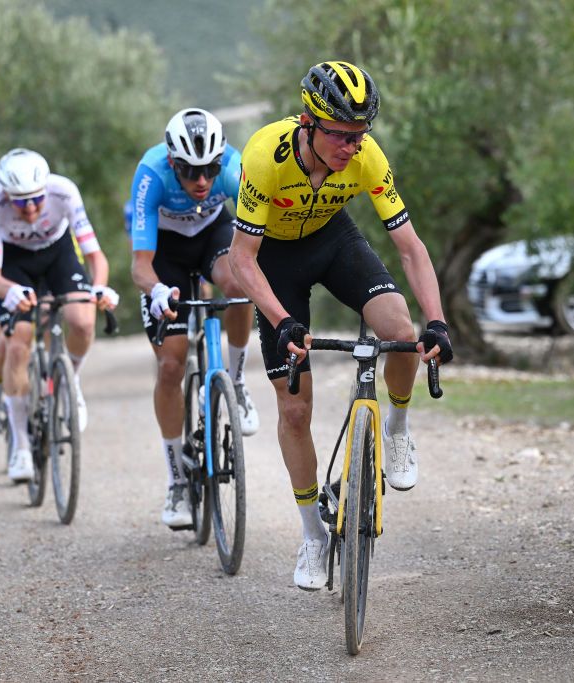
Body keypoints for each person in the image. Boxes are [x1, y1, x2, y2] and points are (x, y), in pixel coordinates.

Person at [228, 61, 454, 590]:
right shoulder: (266, 155)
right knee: (295, 406)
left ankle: (397, 428)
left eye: (360, 136)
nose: (353, 147)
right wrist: (282, 320)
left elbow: (411, 248)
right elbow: (242, 259)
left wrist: (437, 321)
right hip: (275, 262)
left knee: (399, 327)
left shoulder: (367, 158)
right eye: (342, 136)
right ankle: (312, 535)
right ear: (308, 121)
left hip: (334, 242)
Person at [130, 107, 258, 529]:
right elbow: (140, 266)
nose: (201, 181)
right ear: (172, 162)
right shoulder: (151, 174)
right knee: (170, 365)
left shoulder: (234, 168)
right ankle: (177, 481)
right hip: (164, 253)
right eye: (189, 171)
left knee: (239, 287)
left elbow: (263, 230)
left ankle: (235, 382)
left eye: (209, 170)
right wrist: (157, 291)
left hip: (213, 236)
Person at [0, 148, 119, 482]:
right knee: (17, 344)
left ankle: (72, 380)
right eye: (19, 202)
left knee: (83, 321)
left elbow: (95, 255)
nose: (29, 209)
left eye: (36, 201)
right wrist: (9, 291)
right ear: (5, 196)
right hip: (13, 262)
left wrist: (98, 288)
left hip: (57, 253)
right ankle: (22, 448)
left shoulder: (64, 192)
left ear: (46, 191)